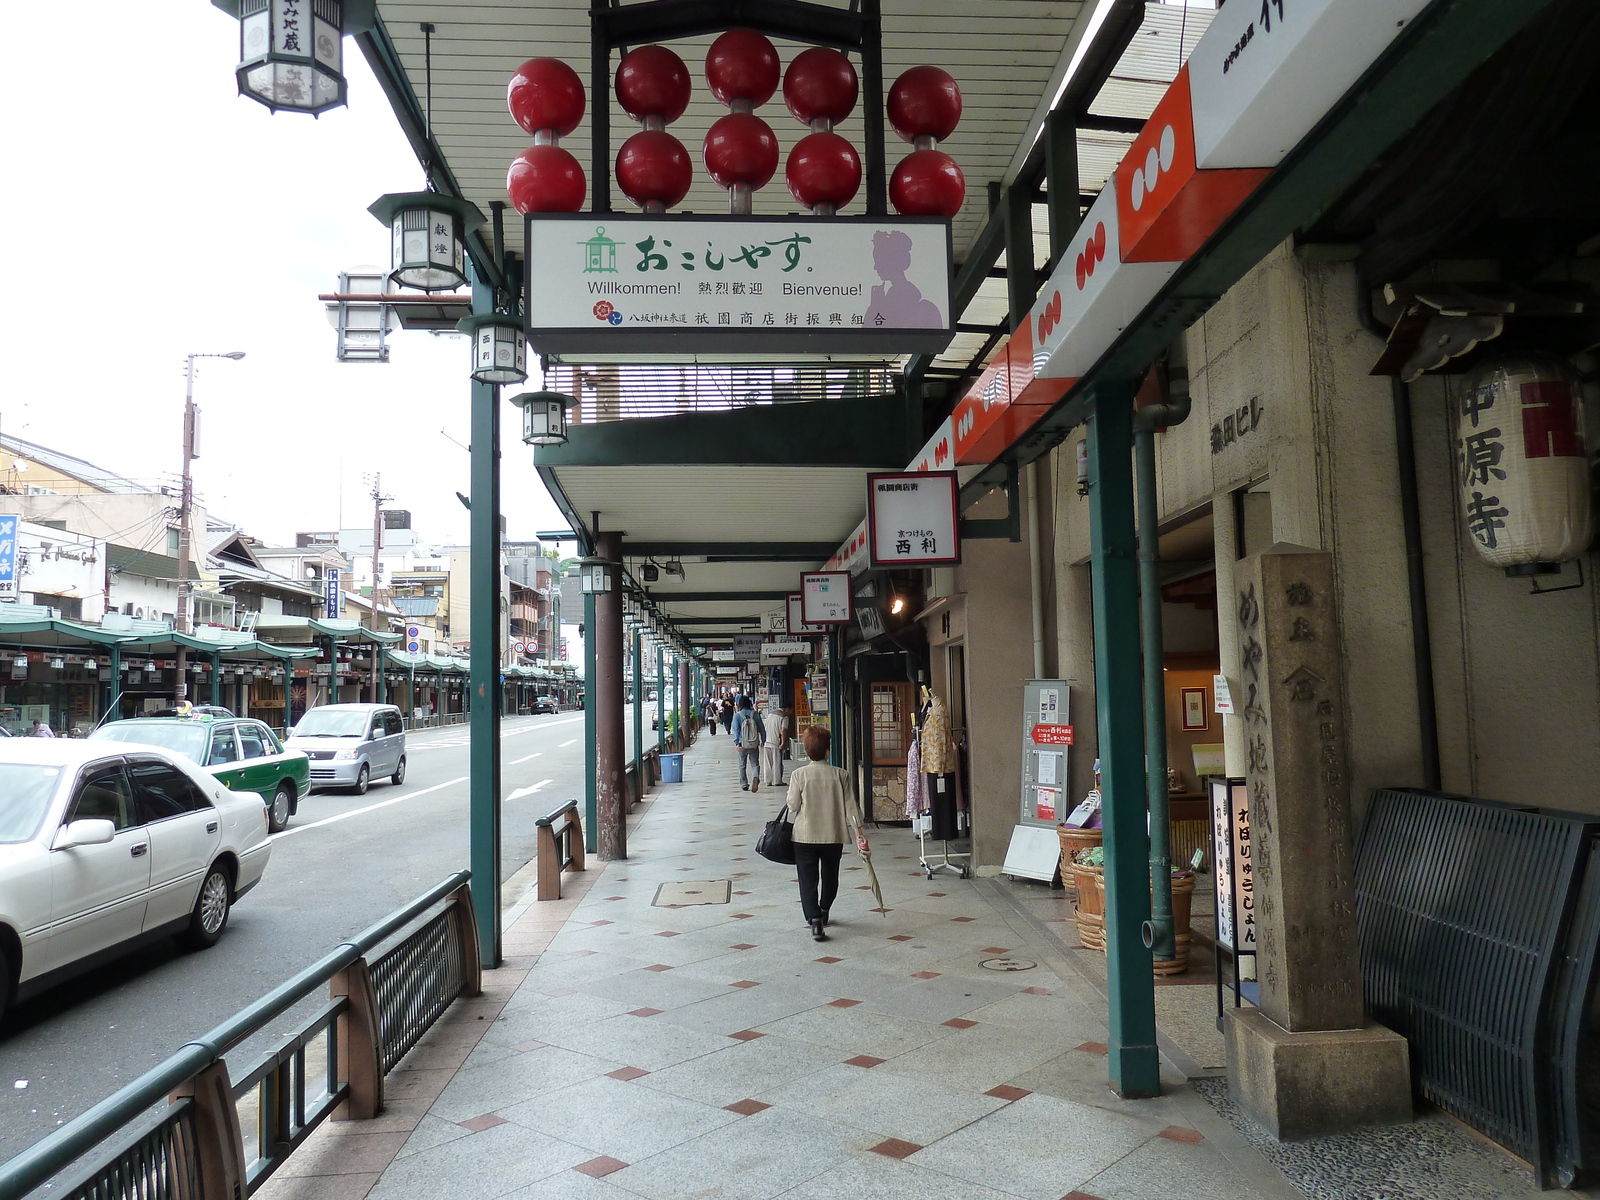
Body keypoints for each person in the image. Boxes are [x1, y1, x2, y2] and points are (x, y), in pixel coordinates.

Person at [785, 726, 867, 942]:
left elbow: (793, 806)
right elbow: (851, 806)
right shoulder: (841, 775)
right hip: (833, 836)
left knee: (807, 879)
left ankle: (814, 920)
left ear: (807, 751)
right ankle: (824, 909)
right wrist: (859, 834)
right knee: (830, 876)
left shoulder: (798, 775)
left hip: (804, 837)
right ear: (827, 752)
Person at [732, 695, 764, 791]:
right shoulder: (755, 714)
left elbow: (736, 730)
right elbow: (761, 729)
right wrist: (763, 740)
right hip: (754, 743)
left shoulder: (737, 716)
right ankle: (755, 777)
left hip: (742, 744)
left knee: (742, 765)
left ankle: (744, 784)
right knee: (755, 764)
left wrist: (737, 743)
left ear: (740, 704)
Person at [760, 700, 788, 787]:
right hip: (776, 742)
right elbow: (784, 730)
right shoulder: (784, 717)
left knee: (767, 762)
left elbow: (765, 726)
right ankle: (777, 781)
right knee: (777, 762)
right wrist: (783, 743)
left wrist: (762, 740)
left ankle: (768, 781)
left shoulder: (770, 714)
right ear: (787, 709)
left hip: (767, 741)